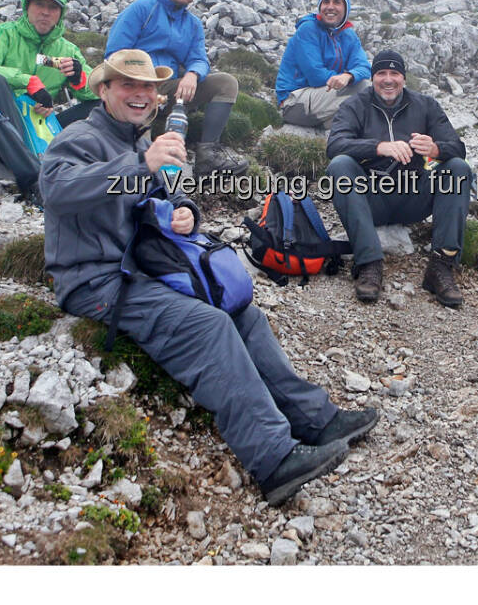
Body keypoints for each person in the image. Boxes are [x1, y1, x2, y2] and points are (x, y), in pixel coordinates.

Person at [40, 49, 378, 507]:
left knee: (241, 310)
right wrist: (140, 167)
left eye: (148, 88)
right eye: (128, 86)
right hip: (96, 280)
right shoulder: (81, 137)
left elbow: (169, 194)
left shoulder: (140, 141)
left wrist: (186, 212)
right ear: (104, 91)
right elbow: (57, 191)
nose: (141, 95)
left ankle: (314, 418)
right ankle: (273, 458)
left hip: (146, 266)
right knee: (209, 324)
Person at [325, 50, 473, 307]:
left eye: (395, 73)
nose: (388, 79)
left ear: (403, 78)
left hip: (414, 195)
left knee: (458, 168)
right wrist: (378, 147)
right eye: (381, 73)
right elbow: (334, 145)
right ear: (373, 78)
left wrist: (436, 149)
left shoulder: (426, 105)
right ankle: (369, 263)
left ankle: (441, 266)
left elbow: (458, 148)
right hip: (371, 199)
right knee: (340, 165)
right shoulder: (355, 105)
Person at [104, 0, 247, 174]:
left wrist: (192, 74)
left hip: (170, 88)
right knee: (137, 154)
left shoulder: (193, 24)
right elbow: (115, 53)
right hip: (136, 85)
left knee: (226, 84)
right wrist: (138, 80)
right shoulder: (142, 9)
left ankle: (208, 156)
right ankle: (134, 163)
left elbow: (199, 59)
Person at [0, 0, 98, 204]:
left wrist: (79, 79)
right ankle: (34, 182)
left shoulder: (67, 50)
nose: (45, 12)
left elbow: (102, 92)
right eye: (39, 5)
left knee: (102, 107)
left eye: (52, 7)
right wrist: (27, 82)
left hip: (38, 133)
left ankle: (98, 169)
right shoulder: (5, 34)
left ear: (60, 14)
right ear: (27, 8)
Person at [275, 0, 371, 128]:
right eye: (326, 2)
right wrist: (343, 79)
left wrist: (349, 76)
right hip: (294, 102)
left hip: (322, 101)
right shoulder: (308, 29)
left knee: (366, 112)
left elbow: (364, 67)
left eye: (337, 2)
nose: (330, 7)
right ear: (320, 7)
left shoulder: (349, 35)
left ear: (346, 8)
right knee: (367, 90)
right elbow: (316, 76)